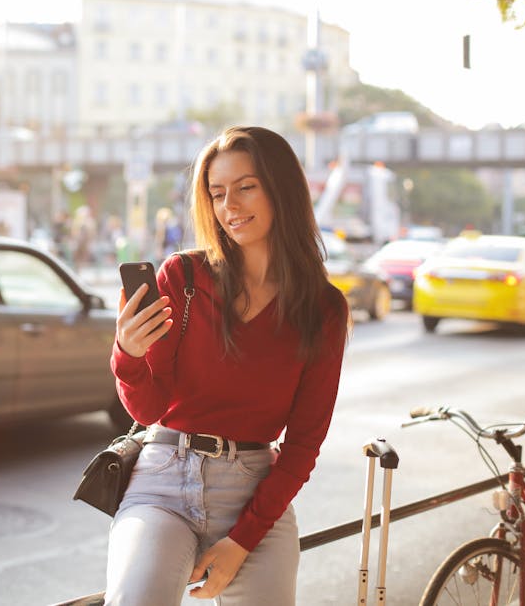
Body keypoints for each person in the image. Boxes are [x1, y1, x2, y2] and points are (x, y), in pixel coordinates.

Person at [107, 126, 350, 605]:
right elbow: (151, 407)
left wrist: (241, 542)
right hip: (165, 478)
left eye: (246, 187)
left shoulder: (323, 308)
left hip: (256, 489)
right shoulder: (185, 276)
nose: (230, 206)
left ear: (281, 187)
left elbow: (303, 443)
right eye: (218, 194)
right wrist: (128, 356)